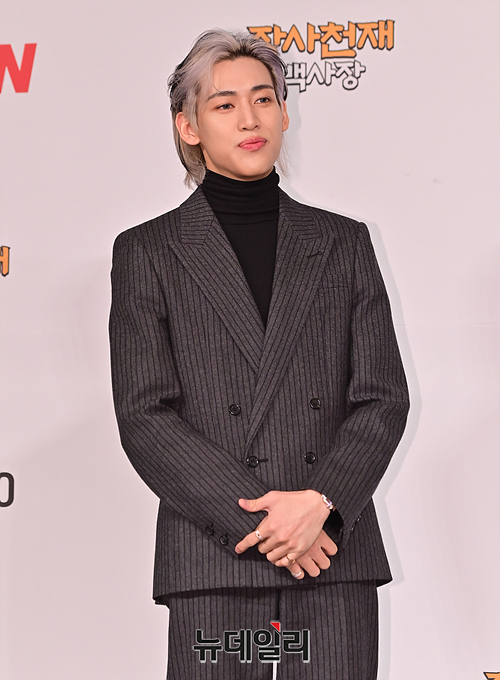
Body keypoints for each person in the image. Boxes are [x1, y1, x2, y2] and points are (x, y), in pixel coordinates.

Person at [109, 28, 410, 680]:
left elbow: (383, 398)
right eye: (225, 104)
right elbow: (145, 415)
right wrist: (270, 522)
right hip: (217, 556)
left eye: (264, 99)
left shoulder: (343, 242)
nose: (250, 119)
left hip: (331, 553)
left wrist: (321, 502)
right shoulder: (147, 252)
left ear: (284, 113)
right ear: (188, 126)